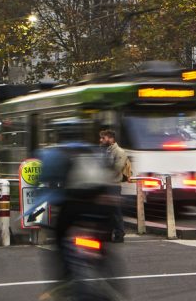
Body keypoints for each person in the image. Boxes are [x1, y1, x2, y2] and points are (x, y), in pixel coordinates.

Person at [34, 120, 118, 287]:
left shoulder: (55, 153)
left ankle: (65, 279)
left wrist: (36, 212)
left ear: (58, 135)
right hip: (101, 208)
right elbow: (108, 176)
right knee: (101, 241)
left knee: (60, 238)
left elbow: (45, 184)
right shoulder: (95, 151)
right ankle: (110, 282)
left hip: (73, 207)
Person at [98, 127, 133, 241]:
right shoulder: (104, 150)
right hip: (104, 184)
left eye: (103, 138)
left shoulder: (119, 151)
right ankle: (108, 234)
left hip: (113, 185)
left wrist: (103, 173)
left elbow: (117, 168)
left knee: (115, 211)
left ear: (111, 139)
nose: (101, 140)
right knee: (106, 211)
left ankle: (119, 234)